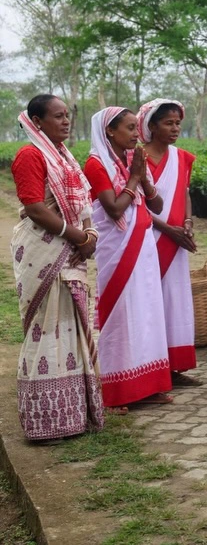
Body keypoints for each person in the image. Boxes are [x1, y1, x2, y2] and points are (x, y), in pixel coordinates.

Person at [9, 95, 105, 439]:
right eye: (58, 116)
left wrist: (88, 236)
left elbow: (82, 206)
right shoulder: (30, 155)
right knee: (45, 328)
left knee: (70, 327)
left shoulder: (66, 159)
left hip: (69, 249)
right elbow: (35, 207)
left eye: (68, 116)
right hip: (43, 251)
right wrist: (79, 237)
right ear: (36, 121)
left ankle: (74, 414)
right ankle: (46, 421)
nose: (66, 121)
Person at [84, 107, 173, 410]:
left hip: (143, 245)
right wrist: (135, 177)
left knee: (147, 312)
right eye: (130, 128)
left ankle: (151, 384)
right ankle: (121, 390)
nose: (137, 134)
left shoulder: (133, 160)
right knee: (123, 315)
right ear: (110, 131)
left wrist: (143, 179)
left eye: (137, 128)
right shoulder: (96, 165)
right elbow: (114, 208)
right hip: (118, 249)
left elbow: (157, 205)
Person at [137, 99, 199, 386]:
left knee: (175, 301)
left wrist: (186, 223)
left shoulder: (182, 158)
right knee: (150, 301)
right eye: (168, 123)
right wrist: (167, 229)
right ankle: (152, 366)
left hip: (176, 242)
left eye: (177, 123)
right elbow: (137, 203)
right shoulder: (137, 158)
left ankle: (175, 366)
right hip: (147, 240)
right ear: (151, 126)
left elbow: (183, 193)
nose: (175, 128)